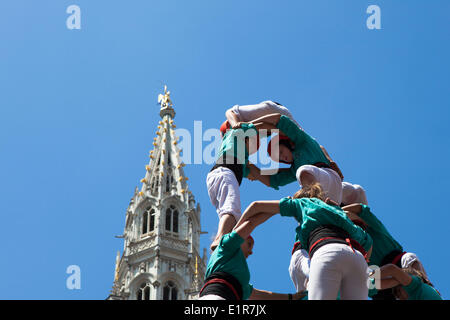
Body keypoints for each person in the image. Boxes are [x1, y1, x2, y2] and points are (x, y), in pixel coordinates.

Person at [235, 183, 373, 300]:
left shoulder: (306, 203)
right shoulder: (342, 215)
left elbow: (256, 206)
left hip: (327, 251)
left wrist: (232, 235)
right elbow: (369, 242)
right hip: (357, 260)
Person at [234, 113, 345, 204]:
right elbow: (271, 181)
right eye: (279, 158)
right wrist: (248, 165)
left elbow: (278, 118)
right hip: (332, 195)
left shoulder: (302, 141)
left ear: (287, 143)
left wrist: (249, 126)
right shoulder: (294, 169)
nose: (282, 157)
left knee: (303, 172)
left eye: (280, 151)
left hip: (329, 177)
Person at [199, 208, 306, 300]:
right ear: (241, 239)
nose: (251, 252)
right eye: (249, 244)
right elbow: (251, 223)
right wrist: (278, 208)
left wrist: (291, 297)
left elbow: (258, 295)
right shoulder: (226, 246)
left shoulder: (237, 276)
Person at [342, 203, 429, 300]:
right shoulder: (351, 245)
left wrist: (339, 211)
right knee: (366, 286)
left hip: (399, 264)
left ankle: (425, 287)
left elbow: (360, 208)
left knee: (410, 258)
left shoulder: (376, 230)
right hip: (382, 277)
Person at [206, 119, 260, 251]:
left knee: (230, 216)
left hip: (218, 177)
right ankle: (219, 240)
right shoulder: (234, 135)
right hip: (224, 174)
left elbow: (255, 174)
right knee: (232, 210)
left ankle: (223, 243)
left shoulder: (241, 157)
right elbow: (250, 126)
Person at [220, 100, 301, 136]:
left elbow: (230, 111)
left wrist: (235, 124)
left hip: (272, 108)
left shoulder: (240, 120)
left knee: (298, 135)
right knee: (298, 134)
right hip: (277, 114)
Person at [368, 264, 442, 300]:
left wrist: (370, 276)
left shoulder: (416, 285)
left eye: (399, 292)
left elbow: (392, 269)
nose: (400, 298)